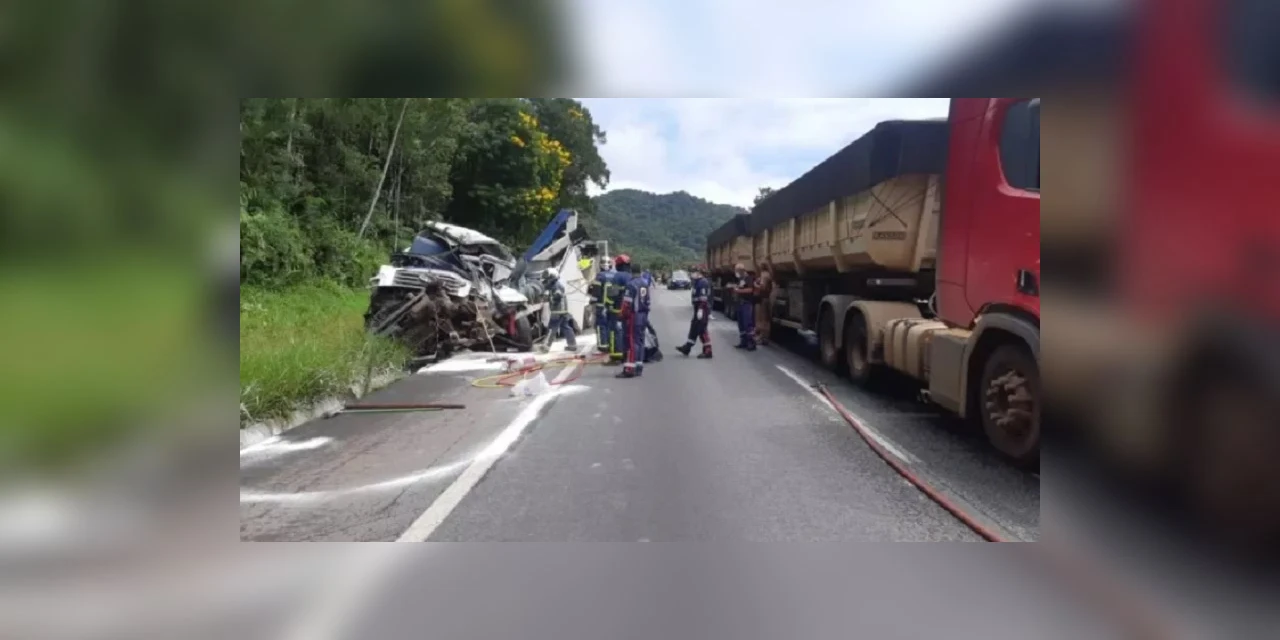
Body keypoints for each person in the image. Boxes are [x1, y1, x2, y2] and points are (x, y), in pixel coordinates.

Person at [615, 257, 651, 378]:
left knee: (631, 342)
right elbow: (647, 301)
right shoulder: (645, 284)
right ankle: (639, 366)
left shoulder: (631, 285)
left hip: (633, 316)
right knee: (640, 341)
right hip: (643, 315)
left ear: (631, 271)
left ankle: (629, 368)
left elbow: (626, 304)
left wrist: (621, 315)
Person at [675, 265, 713, 358]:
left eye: (693, 272)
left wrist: (700, 309)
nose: (691, 274)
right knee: (694, 328)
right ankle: (687, 347)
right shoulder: (697, 282)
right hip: (697, 308)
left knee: (702, 329)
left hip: (702, 308)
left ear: (698, 273)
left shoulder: (703, 282)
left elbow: (703, 298)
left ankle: (708, 351)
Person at [607, 255, 634, 363]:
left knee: (615, 331)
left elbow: (613, 293)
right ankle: (626, 353)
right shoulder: (631, 276)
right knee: (627, 332)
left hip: (617, 309)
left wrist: (609, 304)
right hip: (629, 310)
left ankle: (616, 355)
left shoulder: (617, 277)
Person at [543, 270, 578, 351]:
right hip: (563, 311)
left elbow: (557, 296)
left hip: (557, 311)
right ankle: (572, 345)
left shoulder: (556, 286)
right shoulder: (556, 284)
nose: (546, 281)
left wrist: (549, 298)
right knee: (565, 327)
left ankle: (546, 347)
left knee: (552, 328)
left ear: (552, 277)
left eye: (548, 279)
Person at [732, 263, 757, 351]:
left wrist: (738, 291)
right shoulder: (741, 279)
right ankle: (743, 341)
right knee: (741, 324)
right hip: (740, 304)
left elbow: (750, 289)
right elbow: (740, 287)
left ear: (741, 271)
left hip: (747, 304)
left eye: (737, 271)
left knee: (748, 324)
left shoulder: (748, 278)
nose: (736, 272)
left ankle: (751, 342)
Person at [754, 262, 774, 346]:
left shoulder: (764, 275)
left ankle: (763, 337)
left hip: (763, 298)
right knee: (767, 319)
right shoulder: (768, 274)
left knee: (763, 319)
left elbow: (763, 287)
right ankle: (765, 337)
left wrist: (755, 284)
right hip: (767, 298)